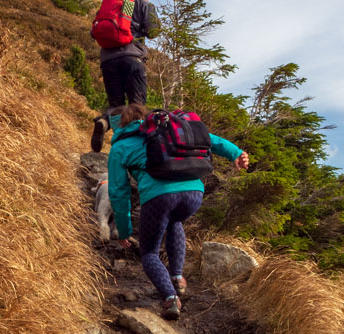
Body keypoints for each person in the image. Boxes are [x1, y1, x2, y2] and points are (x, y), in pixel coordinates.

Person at [107, 103, 249, 319]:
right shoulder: (164, 128)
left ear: (117, 127)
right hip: (193, 192)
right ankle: (177, 277)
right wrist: (236, 153)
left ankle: (171, 298)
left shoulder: (120, 147)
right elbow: (210, 138)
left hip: (158, 197)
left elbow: (119, 191)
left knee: (149, 253)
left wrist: (124, 229)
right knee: (174, 221)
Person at [90, 0, 160, 152]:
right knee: (137, 105)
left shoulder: (115, 3)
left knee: (116, 104)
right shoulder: (144, 4)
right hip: (132, 58)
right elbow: (154, 31)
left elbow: (94, 32)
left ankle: (105, 122)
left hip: (108, 59)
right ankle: (134, 148)